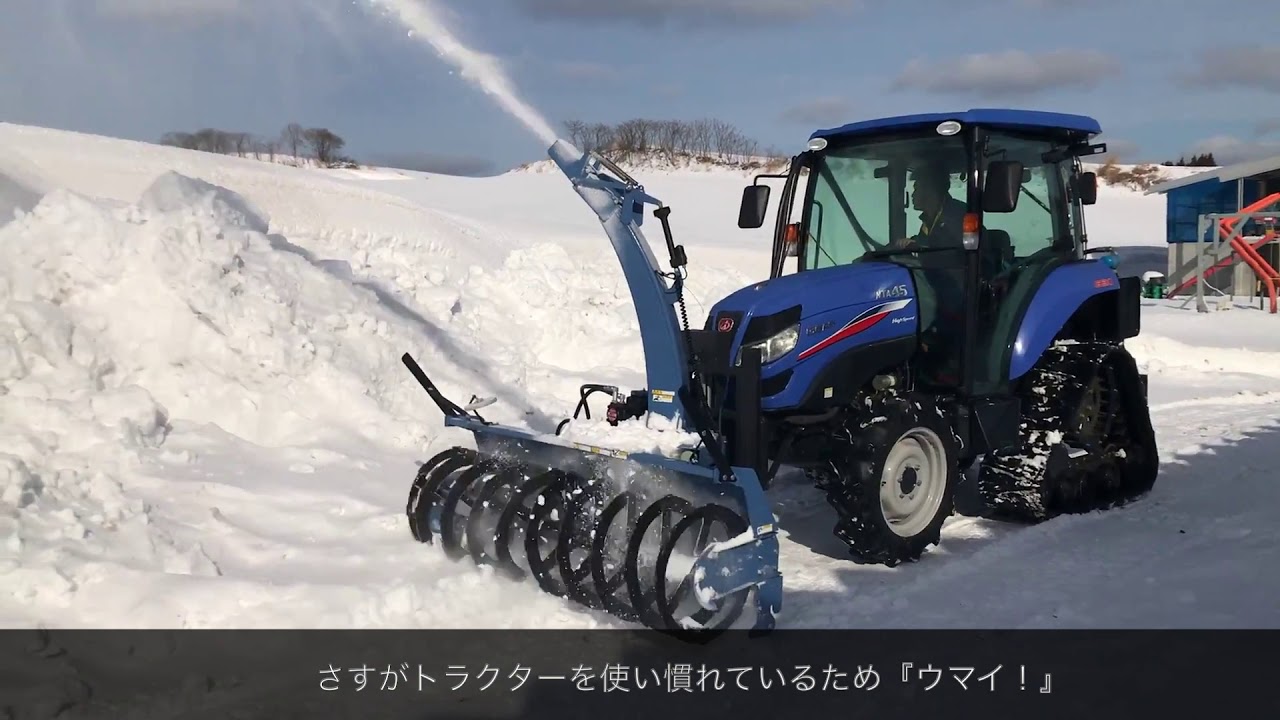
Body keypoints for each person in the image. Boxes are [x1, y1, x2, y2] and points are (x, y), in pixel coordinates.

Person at [892, 166, 967, 250]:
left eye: (916, 189)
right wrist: (912, 242)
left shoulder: (957, 217)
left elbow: (947, 254)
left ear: (930, 190)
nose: (913, 195)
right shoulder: (930, 219)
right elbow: (929, 242)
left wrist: (918, 246)